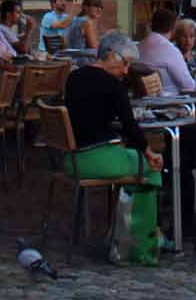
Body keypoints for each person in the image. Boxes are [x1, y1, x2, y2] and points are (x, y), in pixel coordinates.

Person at [63, 33, 164, 236]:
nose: (126, 71)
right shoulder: (112, 84)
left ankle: (124, 229)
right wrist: (148, 152)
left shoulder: (73, 77)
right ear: (110, 55)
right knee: (154, 167)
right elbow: (130, 127)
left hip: (72, 159)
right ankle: (141, 236)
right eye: (125, 63)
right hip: (101, 160)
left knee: (134, 158)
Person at [134, 6, 196, 93]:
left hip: (141, 103)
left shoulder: (137, 47)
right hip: (170, 103)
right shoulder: (171, 51)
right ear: (173, 29)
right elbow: (188, 85)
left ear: (151, 25)